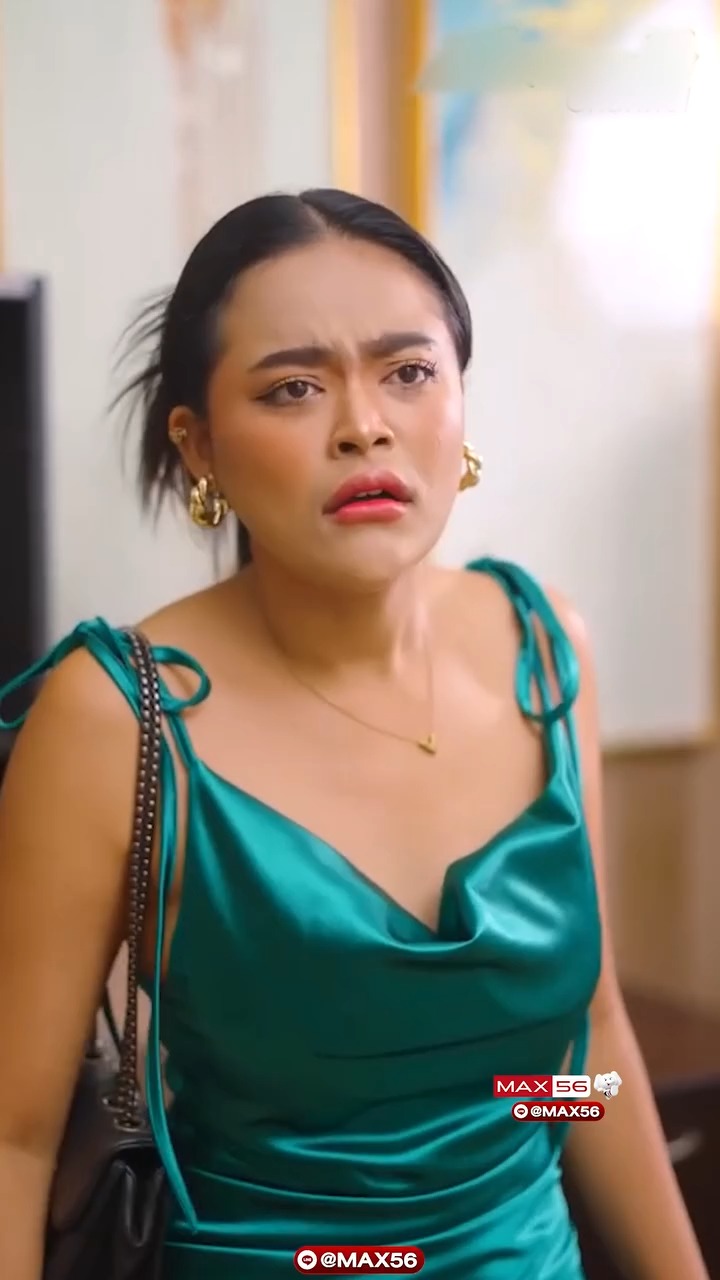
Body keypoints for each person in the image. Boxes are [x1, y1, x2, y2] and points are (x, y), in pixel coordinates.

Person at [0, 190, 708, 1279]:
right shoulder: (117, 715)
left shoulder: (543, 647)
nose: (362, 425)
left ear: (460, 402)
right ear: (200, 445)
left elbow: (586, 1047)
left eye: (408, 371)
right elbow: (16, 1136)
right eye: (293, 387)